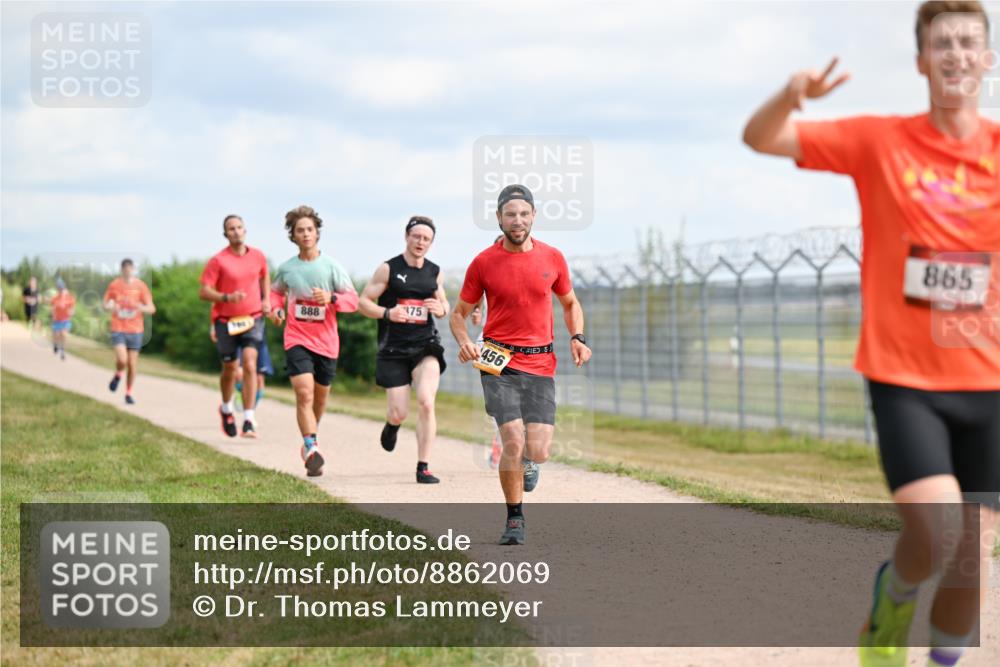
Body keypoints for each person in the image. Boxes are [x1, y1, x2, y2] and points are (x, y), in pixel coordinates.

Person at [742, 3, 999, 666]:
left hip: (989, 380)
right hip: (906, 376)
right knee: (937, 528)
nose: (956, 54)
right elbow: (760, 138)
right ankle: (897, 596)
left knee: (973, 559)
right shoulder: (882, 141)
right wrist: (790, 95)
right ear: (921, 61)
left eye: (970, 42)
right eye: (942, 43)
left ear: (987, 58)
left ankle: (934, 645)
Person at [450, 184, 592, 545]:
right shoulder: (483, 262)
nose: (517, 221)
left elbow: (571, 303)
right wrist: (466, 342)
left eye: (524, 214)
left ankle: (530, 461)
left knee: (539, 449)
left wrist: (577, 337)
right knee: (512, 439)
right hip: (498, 360)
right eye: (510, 214)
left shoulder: (553, 258)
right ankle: (515, 518)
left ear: (534, 217)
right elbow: (459, 314)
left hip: (541, 362)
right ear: (498, 218)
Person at [358, 216, 450, 484]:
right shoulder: (388, 269)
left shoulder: (435, 272)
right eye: (417, 237)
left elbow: (443, 306)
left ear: (431, 243)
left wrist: (440, 309)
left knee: (425, 400)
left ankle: (424, 467)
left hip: (425, 345)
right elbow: (364, 302)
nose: (421, 242)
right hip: (394, 348)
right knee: (399, 411)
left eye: (426, 239)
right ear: (407, 237)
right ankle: (392, 425)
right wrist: (388, 313)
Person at [269, 205, 358, 477]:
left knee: (319, 400)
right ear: (293, 236)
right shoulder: (286, 269)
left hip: (327, 343)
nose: (305, 234)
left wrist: (331, 298)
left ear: (317, 233)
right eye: (300, 231)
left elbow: (353, 301)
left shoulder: (331, 267)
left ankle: (310, 443)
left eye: (310, 229)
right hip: (297, 338)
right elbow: (274, 295)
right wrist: (276, 310)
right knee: (304, 393)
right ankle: (311, 447)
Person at [200, 214, 271, 438]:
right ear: (225, 234)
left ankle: (249, 418)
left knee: (250, 364)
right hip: (226, 321)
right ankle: (226, 408)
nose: (236, 231)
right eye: (231, 229)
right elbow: (204, 291)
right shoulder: (218, 261)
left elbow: (264, 276)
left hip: (253, 318)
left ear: (245, 230)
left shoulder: (258, 256)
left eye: (239, 227)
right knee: (230, 369)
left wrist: (266, 299)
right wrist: (227, 297)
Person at [103, 259, 156, 404]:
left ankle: (128, 393)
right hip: (118, 327)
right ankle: (119, 373)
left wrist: (140, 307)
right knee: (122, 359)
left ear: (133, 269)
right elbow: (105, 304)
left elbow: (152, 308)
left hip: (135, 329)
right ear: (122, 270)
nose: (128, 271)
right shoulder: (114, 285)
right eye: (125, 269)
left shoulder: (140, 286)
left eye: (130, 269)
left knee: (132, 364)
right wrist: (110, 306)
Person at [48, 278, 75, 360]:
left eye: (61, 288)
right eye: (59, 288)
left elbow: (72, 309)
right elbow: (52, 308)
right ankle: (56, 345)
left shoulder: (70, 297)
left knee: (64, 334)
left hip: (65, 320)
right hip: (57, 320)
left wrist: (71, 312)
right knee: (56, 335)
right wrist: (52, 315)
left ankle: (63, 351)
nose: (60, 289)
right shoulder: (55, 298)